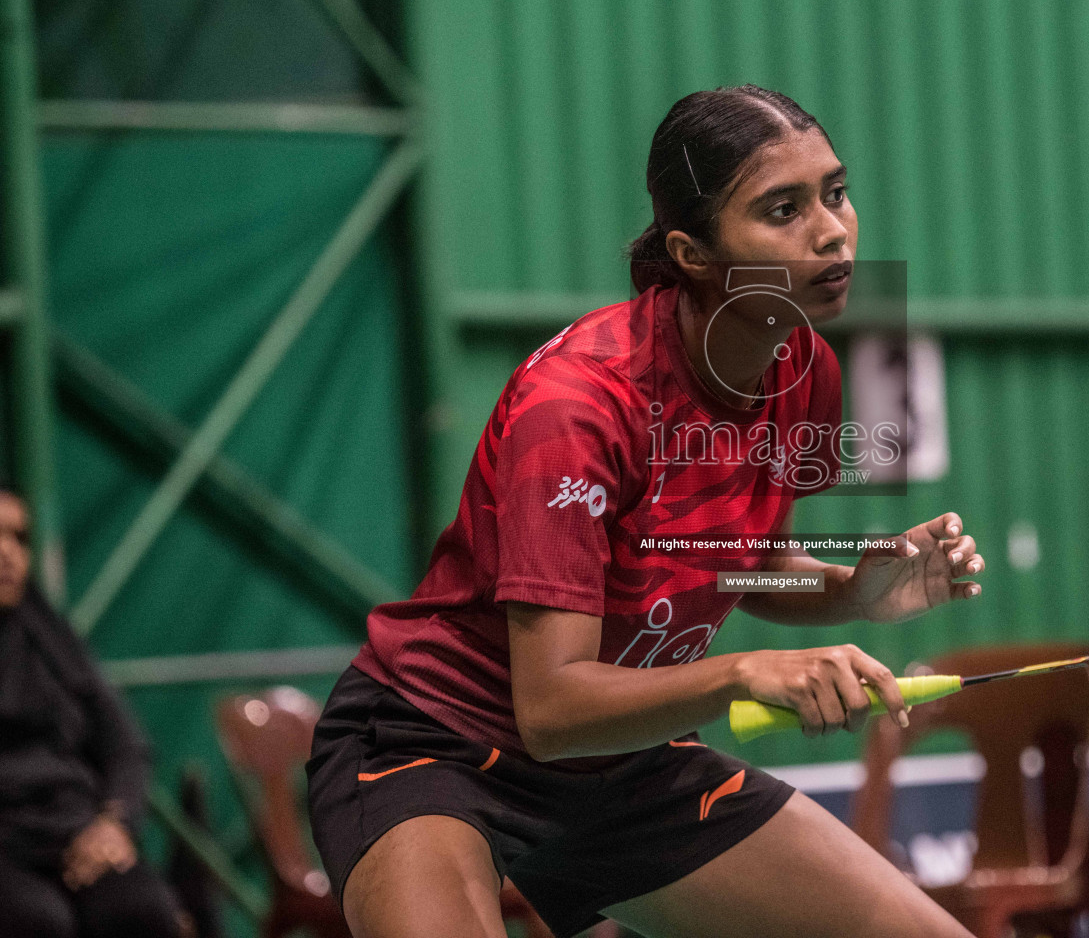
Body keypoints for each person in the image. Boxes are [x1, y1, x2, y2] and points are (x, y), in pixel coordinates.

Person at [306, 85, 987, 938]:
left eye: (836, 193)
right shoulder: (580, 405)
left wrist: (852, 591)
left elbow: (735, 563)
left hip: (618, 764)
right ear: (691, 252)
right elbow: (550, 711)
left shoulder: (801, 370)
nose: (832, 231)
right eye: (783, 209)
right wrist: (742, 674)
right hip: (432, 743)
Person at [0, 490, 186, 938]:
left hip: (74, 832)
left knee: (142, 910)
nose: (6, 552)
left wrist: (115, 824)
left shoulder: (49, 637)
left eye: (18, 538)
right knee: (41, 924)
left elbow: (126, 744)